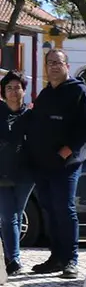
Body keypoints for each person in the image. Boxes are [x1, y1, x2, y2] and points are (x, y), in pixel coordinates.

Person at [27, 49, 86, 280]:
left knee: (65, 210)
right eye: (50, 63)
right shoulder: (46, 94)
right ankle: (55, 258)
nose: (54, 66)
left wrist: (67, 151)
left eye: (58, 62)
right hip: (42, 164)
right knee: (49, 210)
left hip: (66, 164)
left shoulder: (79, 91)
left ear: (67, 65)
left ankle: (70, 260)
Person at [0, 71, 34, 276]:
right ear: (3, 92)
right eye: (9, 88)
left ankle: (11, 256)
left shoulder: (31, 116)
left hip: (25, 174)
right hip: (1, 172)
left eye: (17, 87)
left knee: (17, 214)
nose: (13, 92)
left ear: (23, 90)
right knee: (7, 215)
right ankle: (13, 260)